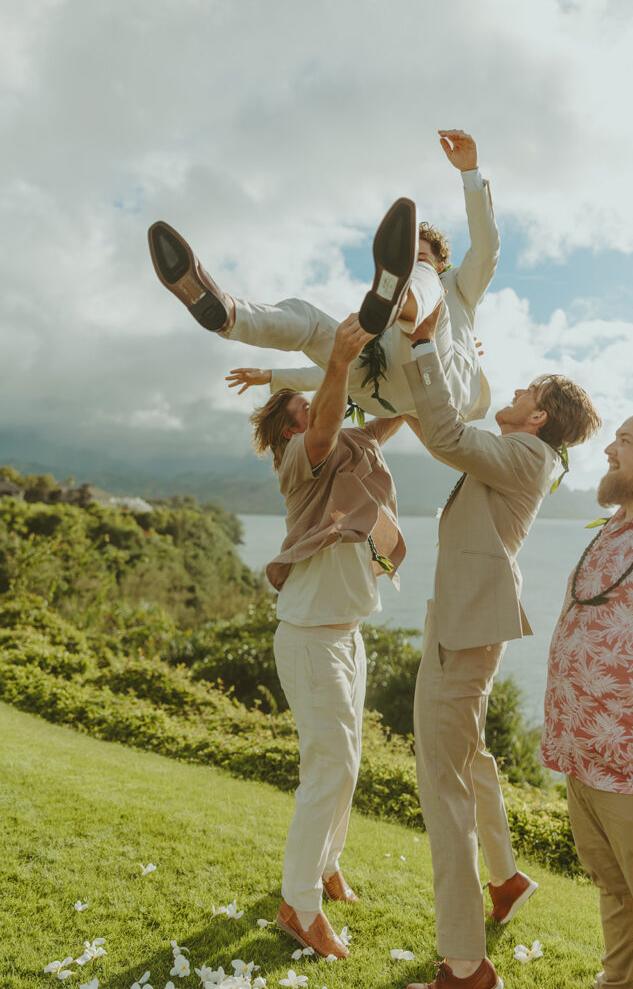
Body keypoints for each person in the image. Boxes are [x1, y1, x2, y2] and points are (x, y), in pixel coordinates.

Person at [400, 304, 601, 989]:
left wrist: (426, 347)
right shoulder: (525, 452)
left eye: (524, 395)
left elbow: (447, 434)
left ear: (538, 419)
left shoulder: (524, 454)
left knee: (442, 782)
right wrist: (448, 355)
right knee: (470, 758)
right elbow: (449, 429)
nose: (512, 396)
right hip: (463, 623)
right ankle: (507, 878)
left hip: (466, 629)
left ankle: (464, 962)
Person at [243, 313, 407, 960]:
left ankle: (326, 864)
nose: (316, 406)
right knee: (328, 765)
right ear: (290, 425)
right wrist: (336, 362)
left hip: (345, 632)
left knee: (346, 761)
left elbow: (391, 414)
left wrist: (432, 365)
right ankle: (297, 903)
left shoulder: (351, 451)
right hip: (310, 634)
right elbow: (329, 418)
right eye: (305, 406)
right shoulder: (300, 456)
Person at [147, 129, 499, 425]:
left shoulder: (459, 287)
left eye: (422, 258)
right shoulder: (375, 318)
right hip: (381, 393)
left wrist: (470, 173)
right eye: (406, 261)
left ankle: (400, 301)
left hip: (441, 384)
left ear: (442, 264)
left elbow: (486, 247)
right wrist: (273, 376)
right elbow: (332, 371)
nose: (415, 264)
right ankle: (229, 314)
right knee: (313, 322)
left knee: (418, 288)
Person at [541, 405, 633, 989]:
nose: (608, 449)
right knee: (615, 890)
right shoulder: (626, 523)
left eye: (624, 440)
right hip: (587, 759)